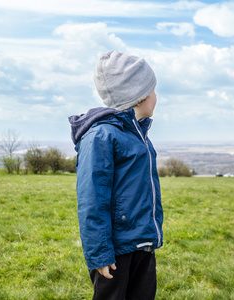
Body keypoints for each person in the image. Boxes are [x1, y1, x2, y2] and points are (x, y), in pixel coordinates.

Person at [68, 51, 164, 300]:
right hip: (114, 252)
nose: (156, 96)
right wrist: (100, 255)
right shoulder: (101, 136)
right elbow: (92, 200)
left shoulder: (137, 134)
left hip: (141, 243)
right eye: (152, 90)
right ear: (140, 95)